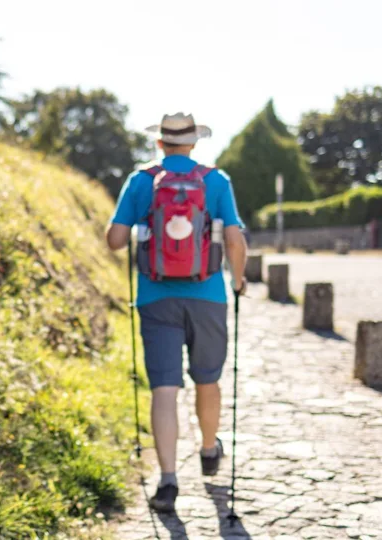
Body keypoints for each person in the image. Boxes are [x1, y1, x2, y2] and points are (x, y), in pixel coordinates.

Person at [105, 112, 247, 512]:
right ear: (194, 143)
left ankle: (167, 482)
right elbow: (234, 240)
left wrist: (136, 223)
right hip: (208, 297)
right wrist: (238, 281)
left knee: (164, 388)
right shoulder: (216, 180)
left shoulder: (141, 181)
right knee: (208, 380)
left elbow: (115, 240)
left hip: (155, 297)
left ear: (159, 143)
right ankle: (207, 448)